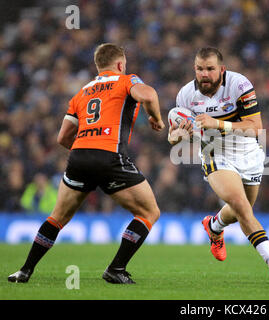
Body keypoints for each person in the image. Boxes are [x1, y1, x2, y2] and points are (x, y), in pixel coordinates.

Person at [8, 43, 165, 284]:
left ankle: (25, 270)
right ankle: (116, 269)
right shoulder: (127, 80)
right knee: (149, 212)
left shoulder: (82, 92)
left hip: (79, 156)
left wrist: (87, 147)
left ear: (98, 66)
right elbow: (149, 95)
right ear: (120, 64)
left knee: (57, 217)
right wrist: (155, 118)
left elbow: (62, 138)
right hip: (110, 156)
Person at [168, 47, 269, 284]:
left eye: (210, 69)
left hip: (248, 152)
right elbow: (173, 137)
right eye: (200, 69)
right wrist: (177, 136)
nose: (204, 74)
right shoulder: (185, 95)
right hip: (215, 153)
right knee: (241, 205)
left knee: (238, 212)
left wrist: (218, 124)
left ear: (221, 69)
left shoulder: (239, 84)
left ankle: (214, 226)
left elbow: (255, 126)